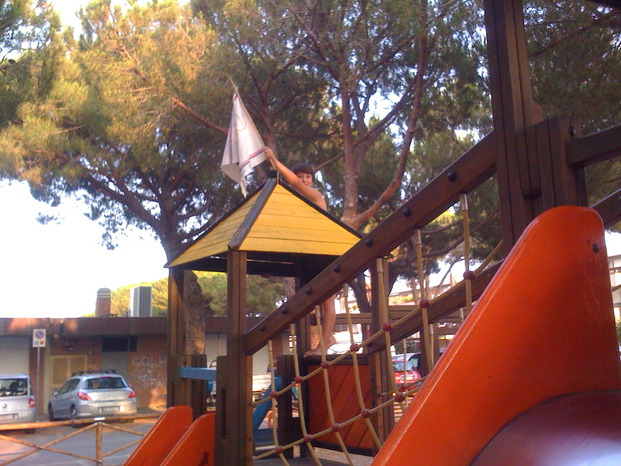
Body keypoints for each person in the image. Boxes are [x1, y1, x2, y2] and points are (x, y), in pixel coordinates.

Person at [264, 146, 337, 356]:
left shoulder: (316, 197)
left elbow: (294, 184)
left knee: (328, 301)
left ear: (312, 181)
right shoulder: (294, 205)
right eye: (300, 176)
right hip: (308, 255)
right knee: (312, 300)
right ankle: (327, 337)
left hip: (324, 251)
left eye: (307, 177)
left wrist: (274, 160)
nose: (303, 180)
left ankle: (325, 343)